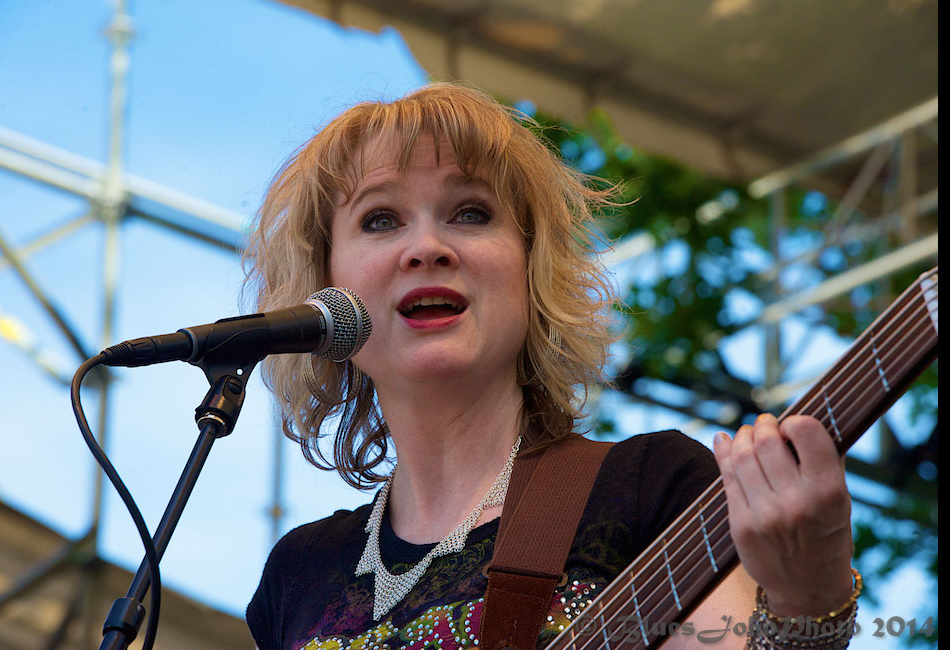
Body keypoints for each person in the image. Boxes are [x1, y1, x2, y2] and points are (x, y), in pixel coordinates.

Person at [244, 84, 857, 650]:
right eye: (380, 220)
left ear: (529, 270)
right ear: (326, 288)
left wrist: (808, 606)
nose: (427, 246)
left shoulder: (653, 490)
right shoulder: (298, 572)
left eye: (471, 213)